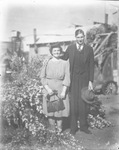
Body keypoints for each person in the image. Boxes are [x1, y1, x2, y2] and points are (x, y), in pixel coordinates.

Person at [61, 29, 94, 135]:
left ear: (84, 37)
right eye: (78, 37)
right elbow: (63, 60)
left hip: (84, 79)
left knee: (83, 102)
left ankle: (84, 126)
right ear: (75, 38)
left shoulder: (89, 49)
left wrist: (90, 81)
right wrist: (50, 60)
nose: (80, 39)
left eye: (81, 36)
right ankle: (73, 127)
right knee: (74, 103)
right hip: (73, 79)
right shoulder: (70, 48)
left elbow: (91, 66)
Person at [40, 44, 70, 133]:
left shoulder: (65, 63)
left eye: (58, 50)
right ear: (51, 52)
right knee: (50, 111)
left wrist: (64, 91)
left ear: (60, 52)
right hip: (49, 88)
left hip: (60, 88)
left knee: (59, 111)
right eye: (54, 51)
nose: (56, 52)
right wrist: (47, 89)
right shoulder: (47, 62)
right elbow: (42, 77)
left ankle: (60, 130)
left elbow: (67, 77)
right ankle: (52, 129)